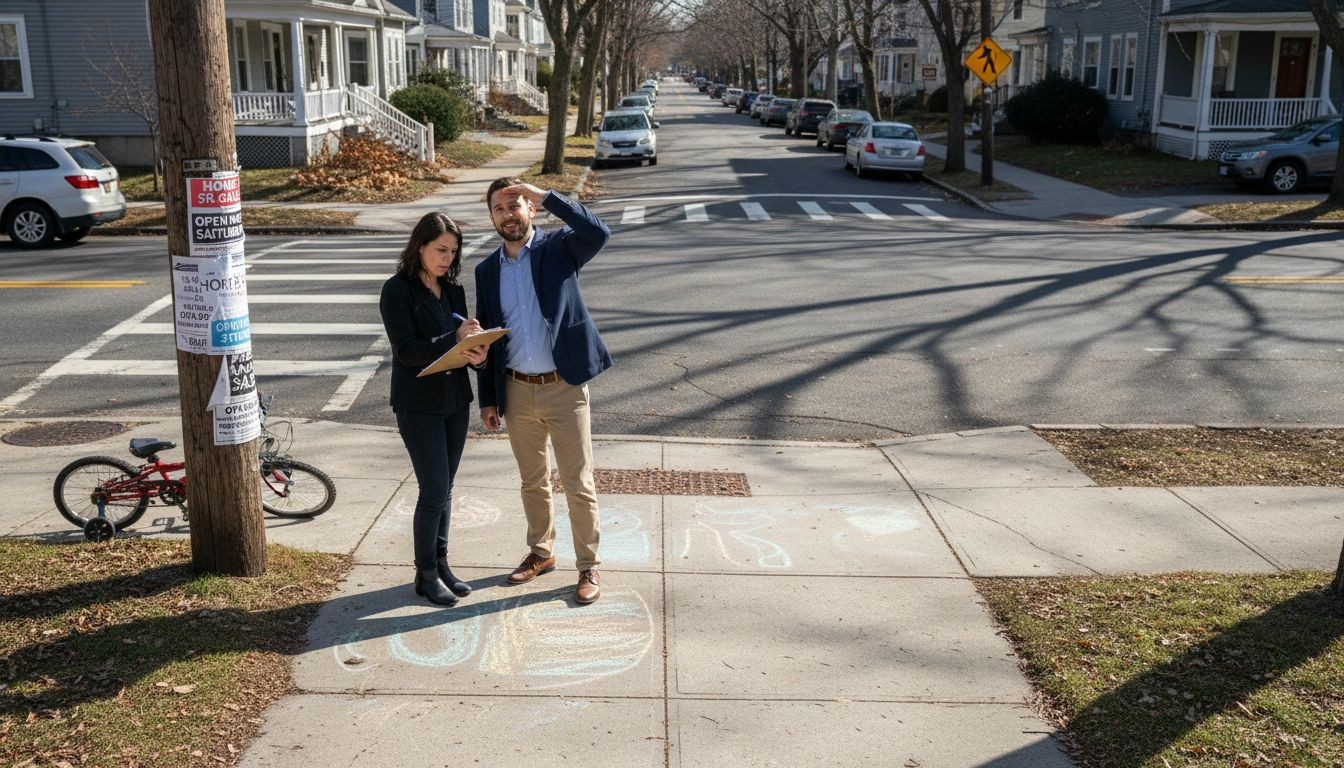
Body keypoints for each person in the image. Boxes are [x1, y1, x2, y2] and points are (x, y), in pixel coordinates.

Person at [474, 178, 612, 605]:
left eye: (516, 204)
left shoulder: (559, 249)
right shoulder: (486, 270)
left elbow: (598, 232)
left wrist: (547, 195)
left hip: (564, 386)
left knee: (577, 482)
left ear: (530, 210)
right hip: (516, 389)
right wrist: (490, 399)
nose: (508, 214)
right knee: (532, 481)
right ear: (493, 217)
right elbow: (486, 338)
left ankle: (588, 564)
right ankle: (541, 552)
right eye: (499, 208)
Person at [380, 212, 489, 607]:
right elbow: (407, 352)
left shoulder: (454, 290)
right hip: (417, 405)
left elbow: (461, 348)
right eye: (440, 250)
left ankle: (441, 565)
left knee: (446, 490)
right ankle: (425, 575)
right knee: (433, 491)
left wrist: (477, 353)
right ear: (420, 247)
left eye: (452, 252)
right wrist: (454, 338)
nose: (446, 258)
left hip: (455, 401)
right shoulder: (397, 291)